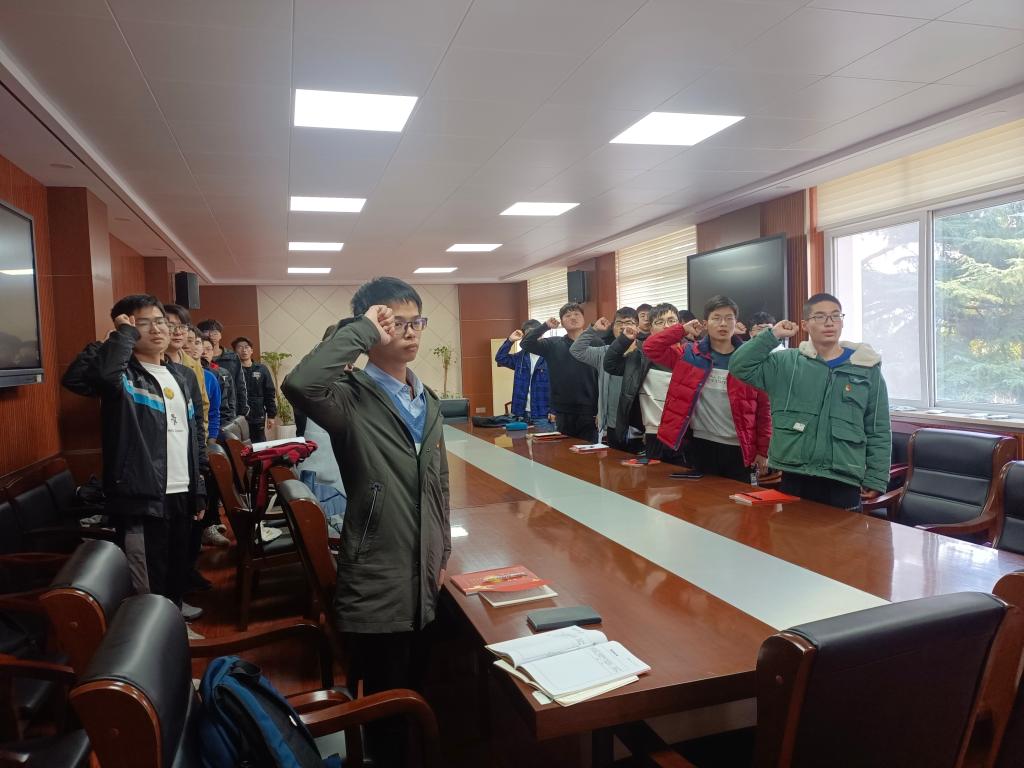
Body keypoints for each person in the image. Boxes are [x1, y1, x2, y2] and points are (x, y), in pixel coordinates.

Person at [282, 276, 450, 768]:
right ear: (372, 327)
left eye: (417, 321)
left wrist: (442, 551)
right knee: (385, 705)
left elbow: (439, 482)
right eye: (396, 323)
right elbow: (299, 383)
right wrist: (361, 329)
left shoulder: (427, 399)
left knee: (421, 690)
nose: (411, 332)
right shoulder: (347, 397)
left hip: (423, 571)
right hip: (378, 571)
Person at [61, 294, 207, 638]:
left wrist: (199, 486)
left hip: (182, 489)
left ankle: (173, 624)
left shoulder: (182, 375)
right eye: (143, 323)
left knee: (177, 567)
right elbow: (82, 378)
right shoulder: (122, 378)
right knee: (148, 574)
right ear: (126, 329)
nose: (156, 329)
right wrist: (118, 337)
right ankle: (153, 637)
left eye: (160, 321)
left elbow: (195, 435)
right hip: (141, 494)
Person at [729, 292, 891, 510]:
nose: (829, 322)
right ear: (805, 324)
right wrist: (772, 334)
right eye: (820, 316)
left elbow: (878, 428)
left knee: (844, 533)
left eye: (835, 316)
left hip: (844, 477)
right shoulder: (786, 363)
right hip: (795, 473)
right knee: (792, 530)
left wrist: (876, 477)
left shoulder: (866, 369)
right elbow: (739, 366)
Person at [644, 296, 771, 482]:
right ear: (705, 324)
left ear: (736, 323)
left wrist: (763, 450)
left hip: (740, 447)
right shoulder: (689, 354)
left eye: (729, 318)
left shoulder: (749, 360)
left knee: (738, 499)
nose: (723, 324)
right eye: (716, 318)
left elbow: (764, 410)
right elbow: (651, 347)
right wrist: (681, 329)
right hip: (700, 445)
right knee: (701, 498)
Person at [604, 303, 691, 464]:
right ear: (650, 329)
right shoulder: (641, 356)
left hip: (686, 433)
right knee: (654, 479)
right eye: (659, 322)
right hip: (653, 434)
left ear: (680, 324)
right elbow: (610, 365)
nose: (666, 326)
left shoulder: (692, 354)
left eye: (671, 321)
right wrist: (623, 340)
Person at [520, 303, 598, 442]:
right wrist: (545, 326)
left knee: (589, 451)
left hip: (590, 410)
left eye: (576, 314)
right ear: (561, 322)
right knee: (565, 451)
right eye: (568, 315)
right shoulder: (553, 344)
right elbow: (526, 343)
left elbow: (603, 376)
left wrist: (601, 410)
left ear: (583, 319)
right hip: (563, 411)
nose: (573, 318)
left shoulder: (596, 342)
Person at [569, 307, 642, 450]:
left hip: (636, 426)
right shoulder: (603, 352)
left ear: (637, 328)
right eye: (619, 323)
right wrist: (593, 329)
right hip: (611, 425)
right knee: (614, 463)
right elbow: (576, 350)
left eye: (629, 322)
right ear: (613, 328)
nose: (623, 327)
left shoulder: (644, 353)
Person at [163, 305, 209, 444]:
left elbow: (202, 405)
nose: (178, 332)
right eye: (171, 326)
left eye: (182, 326)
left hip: (189, 438)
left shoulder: (194, 365)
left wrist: (201, 441)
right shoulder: (151, 362)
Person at [494, 319, 550, 425]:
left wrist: (554, 411)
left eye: (536, 333)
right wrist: (510, 340)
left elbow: (559, 386)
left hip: (543, 415)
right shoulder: (521, 356)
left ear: (541, 334)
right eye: (529, 334)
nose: (533, 337)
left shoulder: (550, 356)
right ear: (525, 336)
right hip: (520, 414)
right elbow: (500, 358)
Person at [197, 319, 248, 418]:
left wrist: (242, 411)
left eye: (215, 332)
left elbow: (240, 385)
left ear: (220, 335)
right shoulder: (195, 358)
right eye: (206, 331)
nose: (211, 335)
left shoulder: (232, 357)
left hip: (230, 409)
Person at [232, 336, 277, 443]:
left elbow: (269, 393)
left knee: (259, 443)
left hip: (257, 414)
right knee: (240, 445)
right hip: (238, 415)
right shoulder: (232, 370)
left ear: (251, 350)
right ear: (235, 351)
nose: (244, 350)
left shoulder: (261, 369)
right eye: (240, 347)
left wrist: (271, 415)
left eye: (247, 347)